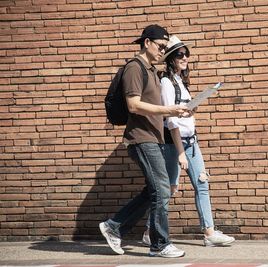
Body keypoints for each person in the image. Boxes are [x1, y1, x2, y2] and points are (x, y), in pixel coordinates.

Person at [99, 25, 189, 258]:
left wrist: (178, 111)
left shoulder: (151, 70)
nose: (163, 51)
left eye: (165, 48)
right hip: (141, 138)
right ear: (147, 42)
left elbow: (155, 106)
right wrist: (168, 108)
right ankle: (159, 244)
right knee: (161, 189)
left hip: (153, 138)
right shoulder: (134, 68)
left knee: (154, 190)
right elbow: (134, 105)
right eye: (160, 46)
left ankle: (114, 226)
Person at [141, 35, 235, 247]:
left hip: (191, 142)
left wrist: (192, 109)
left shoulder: (180, 82)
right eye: (181, 55)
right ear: (172, 58)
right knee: (169, 189)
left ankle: (209, 233)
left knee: (202, 183)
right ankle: (149, 231)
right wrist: (181, 152)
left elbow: (180, 113)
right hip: (174, 145)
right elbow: (171, 120)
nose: (185, 58)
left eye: (187, 54)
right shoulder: (166, 82)